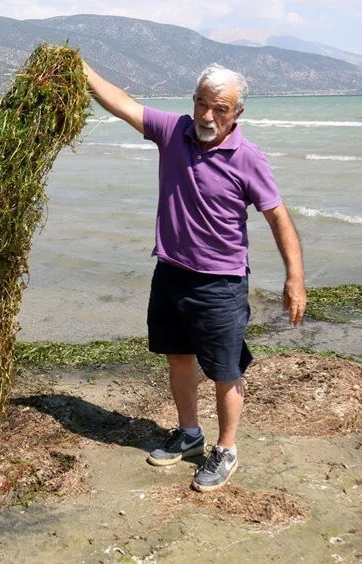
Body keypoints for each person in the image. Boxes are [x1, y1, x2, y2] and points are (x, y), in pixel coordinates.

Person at [83, 61, 306, 492]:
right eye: (201, 104)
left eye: (219, 109)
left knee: (224, 370)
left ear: (237, 113)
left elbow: (277, 216)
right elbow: (124, 106)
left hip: (220, 283)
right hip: (170, 273)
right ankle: (189, 433)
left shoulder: (248, 158)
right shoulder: (173, 132)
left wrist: (294, 278)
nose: (207, 116)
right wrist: (80, 68)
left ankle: (225, 449)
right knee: (178, 359)